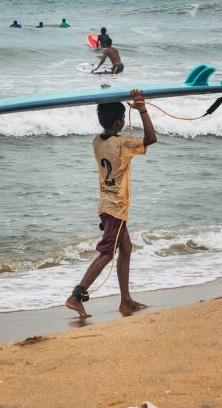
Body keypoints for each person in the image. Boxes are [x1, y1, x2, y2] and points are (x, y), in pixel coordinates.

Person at [65, 90, 157, 318]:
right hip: (116, 208)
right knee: (107, 253)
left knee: (126, 248)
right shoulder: (122, 144)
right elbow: (151, 139)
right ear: (119, 122)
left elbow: (112, 133)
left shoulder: (97, 141)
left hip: (106, 205)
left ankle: (126, 301)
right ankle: (77, 295)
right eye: (123, 118)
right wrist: (142, 109)